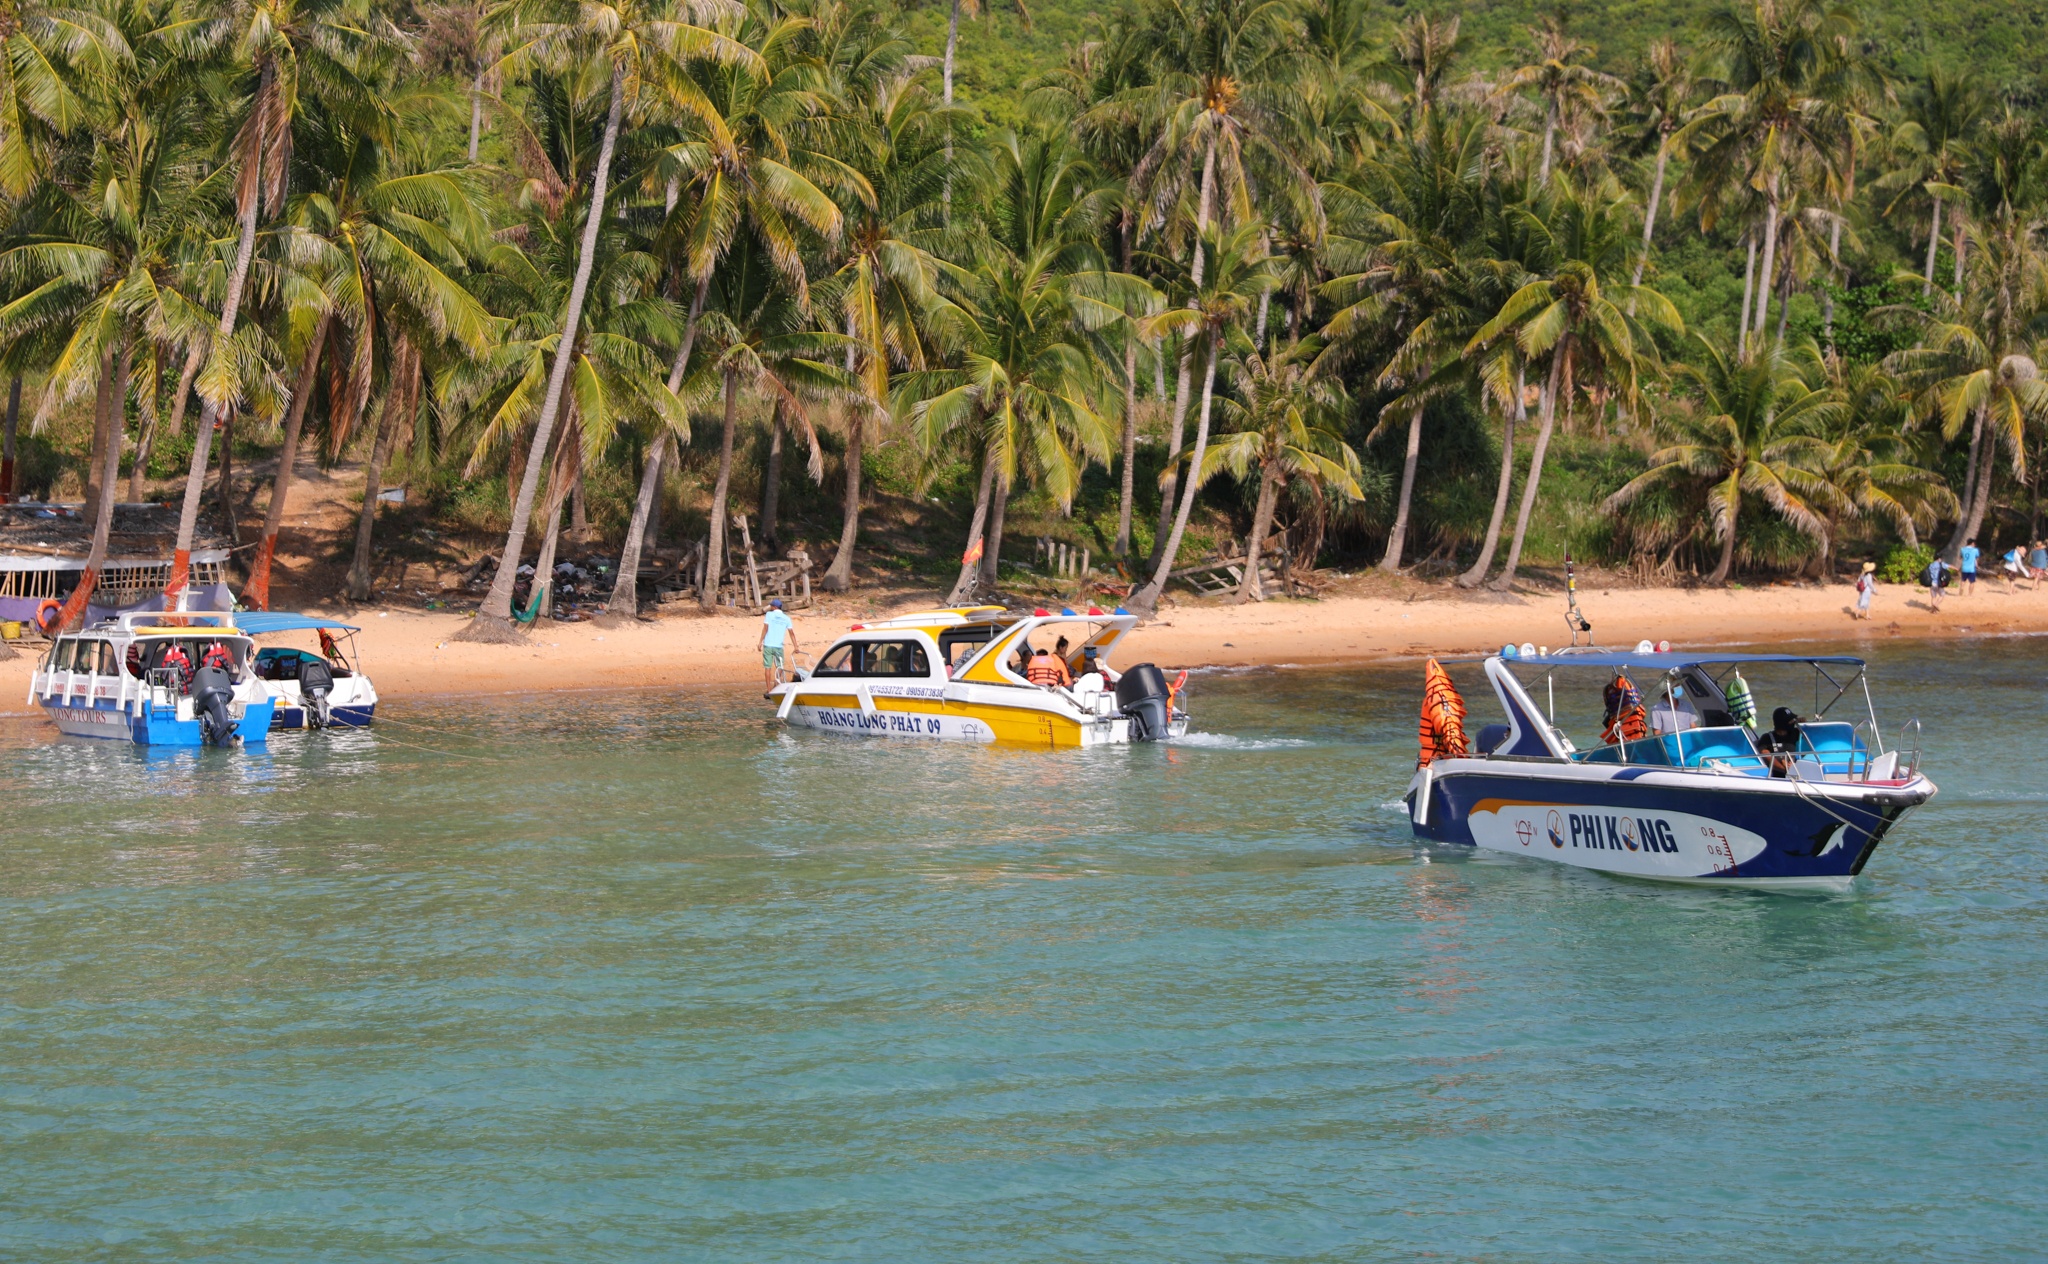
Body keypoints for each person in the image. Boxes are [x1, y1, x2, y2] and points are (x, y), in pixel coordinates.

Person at [757, 598, 797, 695]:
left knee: (767, 667)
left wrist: (760, 642)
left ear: (774, 607)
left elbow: (765, 629)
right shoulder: (786, 618)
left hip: (768, 645)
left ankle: (769, 690)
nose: (770, 607)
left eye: (771, 606)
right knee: (780, 667)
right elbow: (791, 633)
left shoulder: (769, 615)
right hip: (778, 646)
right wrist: (796, 646)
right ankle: (775, 684)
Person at [1755, 706, 1805, 777]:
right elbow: (1765, 754)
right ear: (1782, 723)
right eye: (1791, 721)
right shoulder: (1767, 738)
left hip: (1797, 771)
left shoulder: (1796, 733)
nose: (1793, 722)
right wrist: (1786, 769)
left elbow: (1810, 740)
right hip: (1778, 776)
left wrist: (1803, 725)